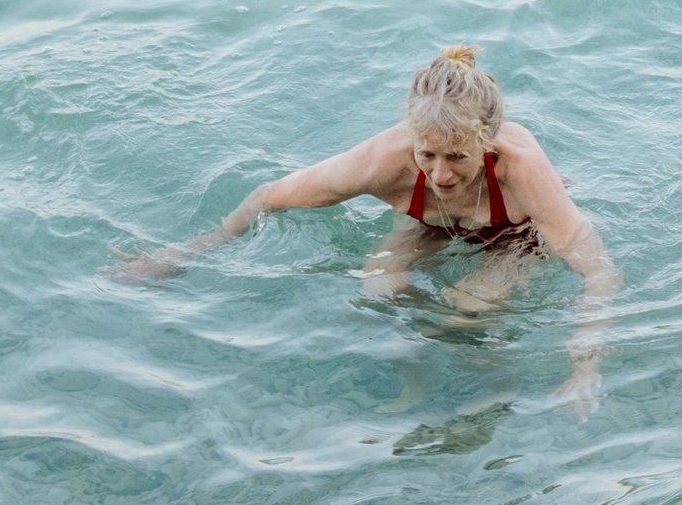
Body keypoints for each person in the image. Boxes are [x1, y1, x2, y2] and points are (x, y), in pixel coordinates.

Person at [111, 45, 618, 405]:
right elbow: (270, 197)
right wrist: (182, 255)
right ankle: (415, 384)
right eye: (428, 155)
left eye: (457, 157)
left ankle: (491, 390)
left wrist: (585, 365)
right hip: (431, 225)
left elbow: (597, 272)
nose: (440, 174)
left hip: (517, 234)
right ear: (412, 140)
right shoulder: (384, 162)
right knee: (378, 285)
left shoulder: (521, 168)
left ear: (488, 144)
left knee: (469, 306)